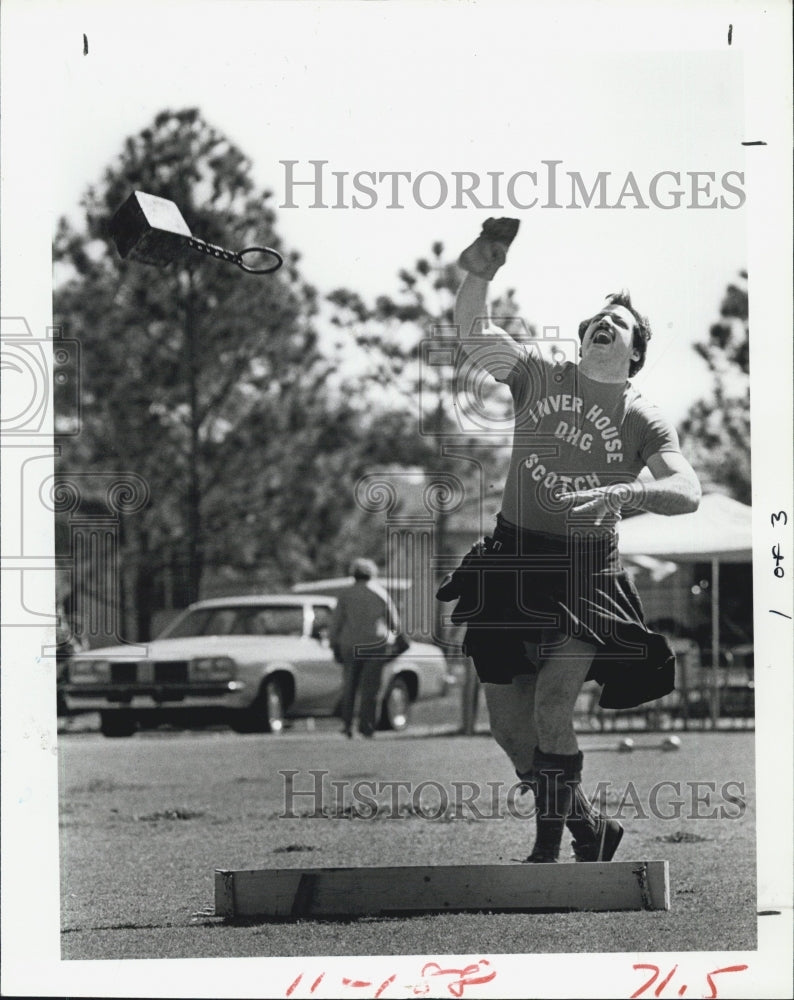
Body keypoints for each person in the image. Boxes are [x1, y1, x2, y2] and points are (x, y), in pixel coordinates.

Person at [438, 218, 701, 862]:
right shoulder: (539, 374)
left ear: (635, 351)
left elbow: (688, 489)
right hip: (511, 559)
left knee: (554, 707)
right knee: (509, 728)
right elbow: (474, 329)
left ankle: (547, 847)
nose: (604, 324)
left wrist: (625, 494)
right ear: (583, 339)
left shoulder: (642, 417)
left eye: (620, 322)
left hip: (585, 570)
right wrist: (481, 270)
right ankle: (589, 827)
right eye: (597, 319)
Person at [329, 558, 402, 738]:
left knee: (349, 686)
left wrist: (333, 645)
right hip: (375, 645)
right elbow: (395, 623)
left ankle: (348, 725)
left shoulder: (346, 594)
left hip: (350, 645)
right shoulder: (380, 593)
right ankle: (367, 726)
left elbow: (336, 623)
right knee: (371, 688)